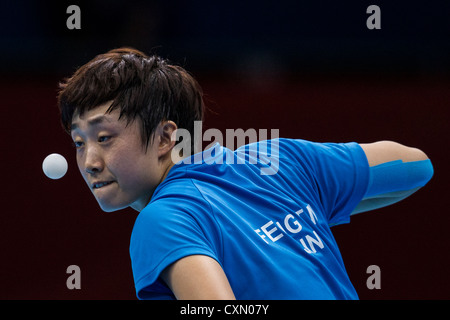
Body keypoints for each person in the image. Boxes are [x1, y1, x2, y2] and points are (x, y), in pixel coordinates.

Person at [58, 47, 434, 300]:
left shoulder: (164, 220)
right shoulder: (279, 161)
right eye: (79, 142)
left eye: (104, 137)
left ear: (164, 137)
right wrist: (308, 212)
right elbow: (415, 165)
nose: (90, 160)